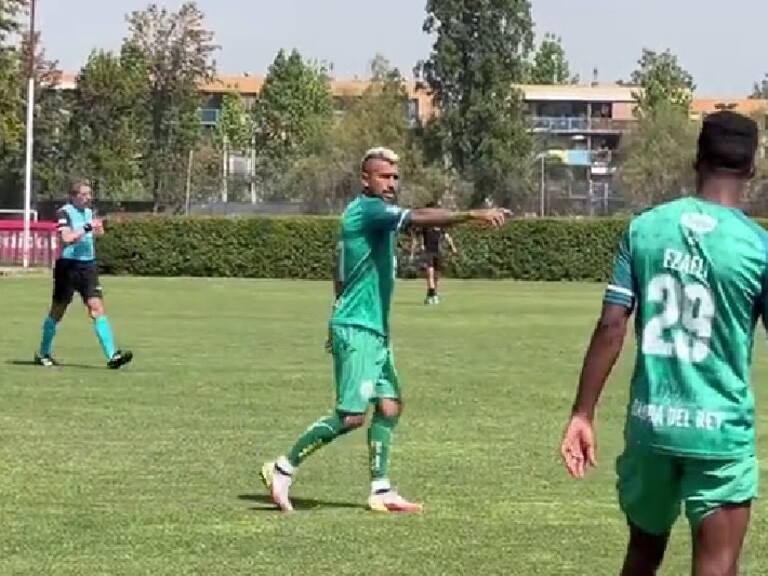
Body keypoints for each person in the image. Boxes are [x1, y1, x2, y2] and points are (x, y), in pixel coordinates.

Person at [560, 111, 764, 576]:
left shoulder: (645, 229)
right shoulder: (758, 247)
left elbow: (612, 324)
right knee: (717, 566)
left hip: (651, 425)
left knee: (643, 553)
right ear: (752, 167)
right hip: (719, 431)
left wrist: (583, 412)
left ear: (698, 158)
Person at [261, 147, 509, 513]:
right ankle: (282, 468)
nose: (391, 183)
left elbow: (340, 271)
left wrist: (338, 312)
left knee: (390, 406)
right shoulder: (369, 210)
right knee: (351, 416)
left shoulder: (368, 215)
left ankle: (380, 489)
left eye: (395, 177)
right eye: (384, 176)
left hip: (372, 328)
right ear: (365, 179)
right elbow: (418, 217)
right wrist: (472, 214)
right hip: (359, 328)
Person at [35, 181, 133, 370]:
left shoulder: (89, 212)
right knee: (57, 311)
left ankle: (112, 355)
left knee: (97, 308)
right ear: (74, 196)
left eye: (90, 194)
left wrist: (98, 229)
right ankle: (43, 352)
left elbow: (97, 233)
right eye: (84, 194)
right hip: (68, 267)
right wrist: (88, 227)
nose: (88, 198)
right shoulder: (64, 212)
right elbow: (66, 238)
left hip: (88, 266)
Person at [410, 201, 458, 304]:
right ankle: (433, 296)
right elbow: (416, 238)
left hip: (437, 252)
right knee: (430, 275)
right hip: (428, 252)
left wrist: (453, 247)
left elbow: (447, 236)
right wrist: (413, 252)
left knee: (436, 276)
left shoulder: (439, 225)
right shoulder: (424, 225)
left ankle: (432, 294)